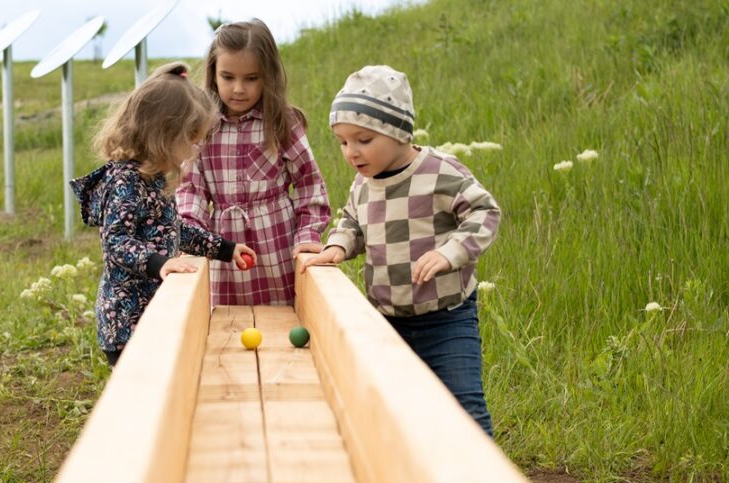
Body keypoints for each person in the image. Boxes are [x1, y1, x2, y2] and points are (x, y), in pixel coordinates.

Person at [301, 65, 501, 437]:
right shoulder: (363, 183)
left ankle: (479, 470)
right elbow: (353, 222)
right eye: (343, 142)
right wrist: (338, 245)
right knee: (397, 407)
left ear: (398, 131)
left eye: (363, 139)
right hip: (386, 318)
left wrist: (450, 252)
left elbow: (485, 212)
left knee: (464, 407)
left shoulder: (439, 171)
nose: (351, 152)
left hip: (446, 319)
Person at [70, 62, 256, 368]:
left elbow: (173, 230)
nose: (195, 149)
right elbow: (116, 243)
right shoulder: (126, 182)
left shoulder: (153, 178)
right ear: (164, 135)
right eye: (190, 139)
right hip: (127, 321)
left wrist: (226, 249)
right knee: (141, 387)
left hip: (153, 311)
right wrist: (160, 263)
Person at [176, 19, 330, 306]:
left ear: (267, 76)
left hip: (277, 245)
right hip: (225, 249)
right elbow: (191, 190)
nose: (238, 89)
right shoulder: (202, 126)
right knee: (227, 321)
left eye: (251, 78)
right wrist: (191, 238)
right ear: (213, 74)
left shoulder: (281, 121)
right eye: (228, 77)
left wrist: (308, 233)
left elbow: (309, 183)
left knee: (283, 317)